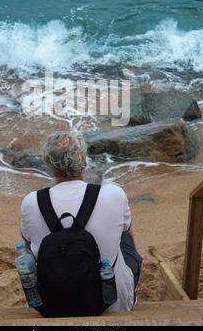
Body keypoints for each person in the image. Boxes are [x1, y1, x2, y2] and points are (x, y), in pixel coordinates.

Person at [21, 131, 142, 312]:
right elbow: (126, 229)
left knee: (31, 247)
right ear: (83, 161)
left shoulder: (31, 202)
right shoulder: (113, 194)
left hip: (52, 302)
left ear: (48, 164)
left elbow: (28, 244)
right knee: (125, 238)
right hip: (112, 302)